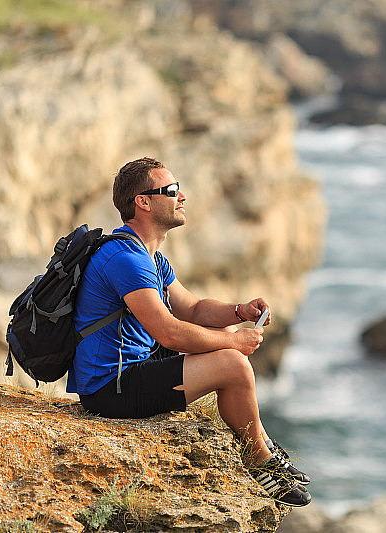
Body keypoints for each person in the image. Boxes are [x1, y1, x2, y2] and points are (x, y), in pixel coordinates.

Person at [67, 157, 311, 507]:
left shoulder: (150, 256)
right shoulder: (125, 259)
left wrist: (239, 311)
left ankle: (263, 444)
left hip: (133, 371)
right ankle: (261, 463)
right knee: (233, 364)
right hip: (110, 389)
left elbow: (193, 309)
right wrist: (235, 343)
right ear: (143, 202)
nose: (181, 196)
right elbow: (169, 333)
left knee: (223, 328)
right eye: (171, 190)